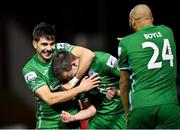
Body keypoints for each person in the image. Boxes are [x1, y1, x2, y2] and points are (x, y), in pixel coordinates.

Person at [22, 22, 100, 129]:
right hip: (49, 124)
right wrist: (80, 88)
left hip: (72, 120)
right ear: (35, 44)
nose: (49, 48)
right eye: (44, 44)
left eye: (52, 43)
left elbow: (89, 54)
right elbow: (50, 99)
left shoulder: (60, 49)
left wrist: (73, 82)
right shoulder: (30, 70)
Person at [118, 4, 180, 129]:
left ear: (132, 21)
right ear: (151, 19)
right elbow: (152, 39)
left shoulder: (125, 43)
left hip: (141, 106)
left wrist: (127, 114)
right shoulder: (168, 32)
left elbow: (124, 83)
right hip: (170, 106)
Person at [52, 51, 126, 129]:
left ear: (74, 64)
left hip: (122, 115)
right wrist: (73, 117)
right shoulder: (78, 83)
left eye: (70, 77)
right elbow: (91, 110)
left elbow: (135, 84)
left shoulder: (101, 60)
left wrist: (118, 93)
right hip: (100, 118)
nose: (71, 82)